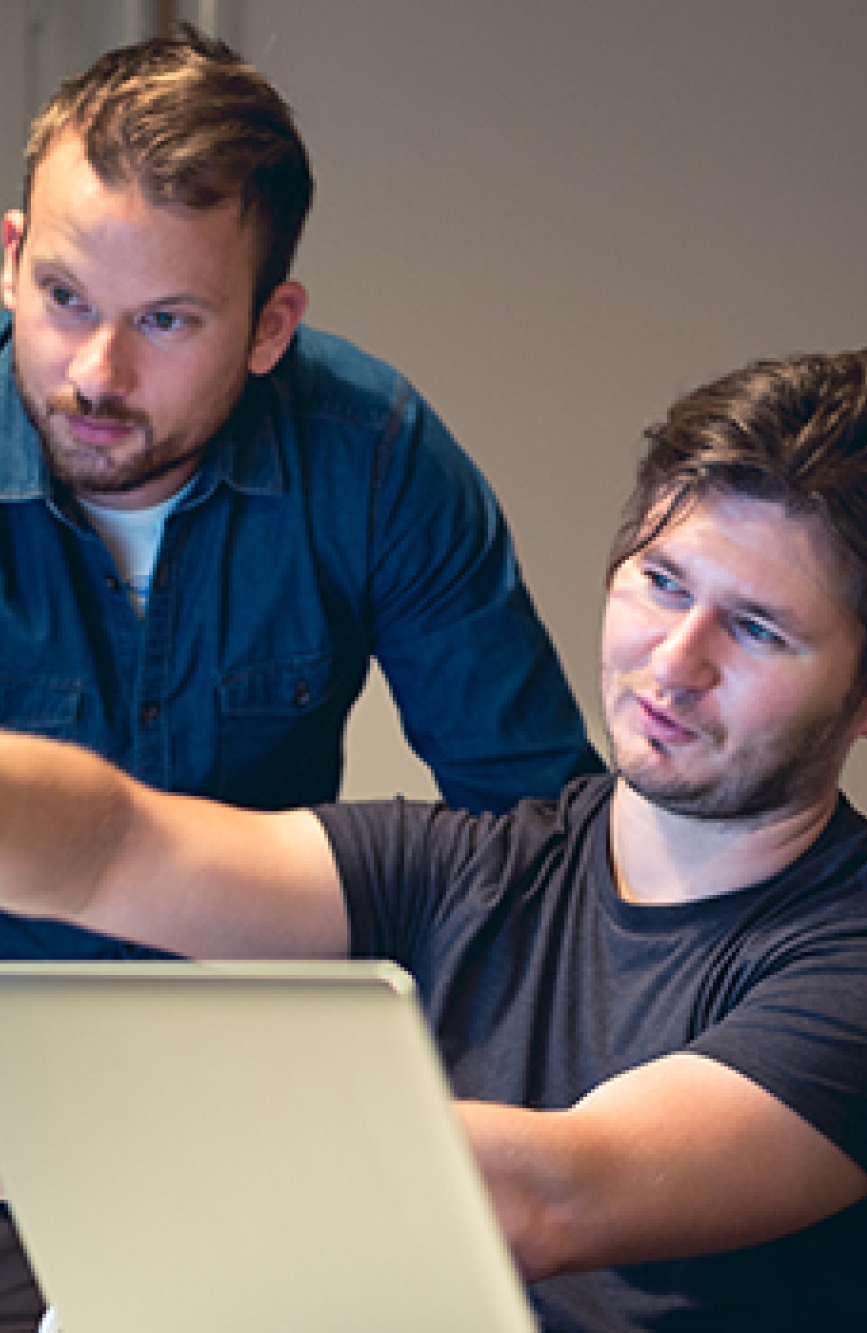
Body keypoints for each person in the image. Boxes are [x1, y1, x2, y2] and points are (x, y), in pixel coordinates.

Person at [0, 348, 867, 1333]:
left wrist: (127, 1148)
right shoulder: (472, 870)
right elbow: (112, 848)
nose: (675, 661)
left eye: (756, 630)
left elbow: (551, 1194)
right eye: (659, 581)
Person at [0, 25, 601, 1330]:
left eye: (164, 321)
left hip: (242, 1103)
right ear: (7, 256)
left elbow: (542, 847)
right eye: (62, 300)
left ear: (272, 324)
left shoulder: (372, 454)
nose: (96, 373)